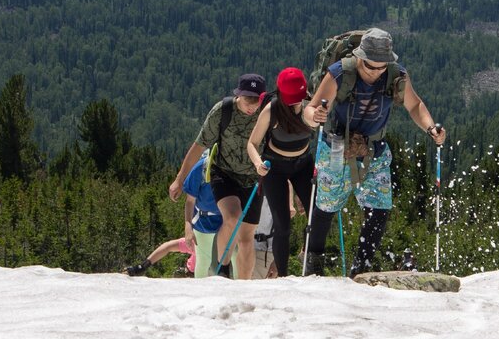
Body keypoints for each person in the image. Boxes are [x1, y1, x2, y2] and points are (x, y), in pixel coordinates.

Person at [302, 28, 447, 277]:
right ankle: (314, 264)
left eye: (382, 67)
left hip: (374, 149)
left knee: (380, 208)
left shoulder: (396, 75)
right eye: (370, 66)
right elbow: (311, 108)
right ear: (359, 56)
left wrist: (431, 127)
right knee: (326, 206)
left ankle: (361, 268)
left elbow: (415, 105)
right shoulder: (340, 73)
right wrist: (314, 117)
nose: (375, 71)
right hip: (337, 147)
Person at [169, 73, 267, 279]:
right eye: (247, 99)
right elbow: (198, 147)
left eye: (256, 100)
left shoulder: (265, 113)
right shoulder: (223, 111)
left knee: (247, 238)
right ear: (238, 95)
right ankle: (222, 270)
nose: (251, 105)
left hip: (254, 178)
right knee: (232, 217)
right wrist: (179, 179)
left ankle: (244, 286)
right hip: (224, 173)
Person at [247, 67, 314, 277]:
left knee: (317, 215)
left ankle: (309, 258)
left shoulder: (309, 105)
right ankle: (284, 276)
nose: (295, 102)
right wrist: (258, 163)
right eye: (292, 98)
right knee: (282, 224)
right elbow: (252, 142)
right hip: (274, 168)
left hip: (302, 165)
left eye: (298, 97)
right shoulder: (271, 109)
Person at [127, 152, 226, 278]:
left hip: (203, 230)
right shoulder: (194, 244)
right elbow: (167, 247)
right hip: (209, 227)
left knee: (206, 262)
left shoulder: (193, 245)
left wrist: (143, 265)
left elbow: (167, 247)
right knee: (228, 256)